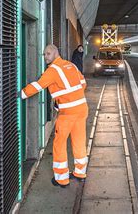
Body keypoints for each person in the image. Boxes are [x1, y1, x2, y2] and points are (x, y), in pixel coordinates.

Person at [21, 44, 88, 188]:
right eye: (44, 54)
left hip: (68, 113)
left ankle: (62, 179)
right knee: (79, 141)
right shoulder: (71, 65)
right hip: (82, 109)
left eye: (48, 54)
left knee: (59, 143)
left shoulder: (52, 70)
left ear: (56, 53)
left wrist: (20, 94)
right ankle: (80, 173)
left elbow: (37, 86)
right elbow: (83, 84)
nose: (45, 57)